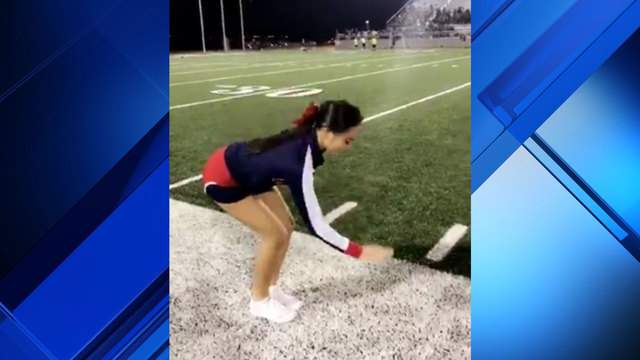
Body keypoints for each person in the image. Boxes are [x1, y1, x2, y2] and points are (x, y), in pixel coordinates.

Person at [202, 101, 394, 323]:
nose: (348, 146)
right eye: (347, 140)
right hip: (223, 178)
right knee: (274, 235)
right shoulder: (299, 162)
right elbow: (316, 225)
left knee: (287, 226)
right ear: (329, 133)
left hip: (253, 176)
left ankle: (271, 288)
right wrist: (358, 251)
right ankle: (259, 301)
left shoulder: (309, 140)